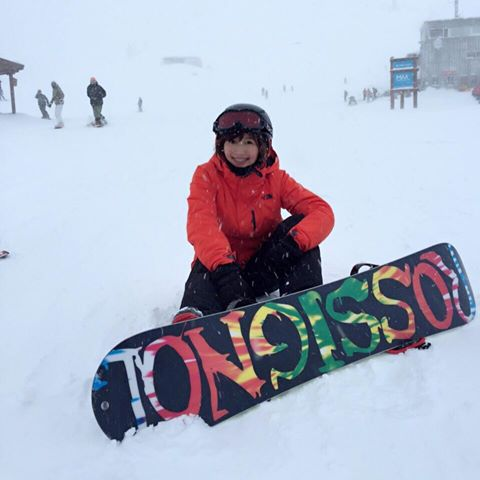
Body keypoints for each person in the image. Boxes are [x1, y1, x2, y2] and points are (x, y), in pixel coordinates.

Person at [173, 103, 335, 323]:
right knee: (205, 257)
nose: (239, 151)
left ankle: (304, 305)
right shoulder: (206, 176)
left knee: (301, 230)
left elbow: (321, 211)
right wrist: (226, 271)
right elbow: (201, 224)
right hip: (222, 274)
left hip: (266, 267)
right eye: (232, 142)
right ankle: (193, 320)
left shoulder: (276, 179)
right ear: (221, 144)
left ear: (263, 145)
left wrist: (293, 244)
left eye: (248, 142)